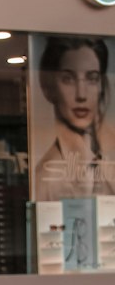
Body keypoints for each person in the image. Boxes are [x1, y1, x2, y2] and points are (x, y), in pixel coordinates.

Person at [34, 36, 115, 201]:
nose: (81, 95)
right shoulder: (48, 176)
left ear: (101, 85)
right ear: (49, 88)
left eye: (92, 78)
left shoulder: (109, 152)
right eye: (68, 79)